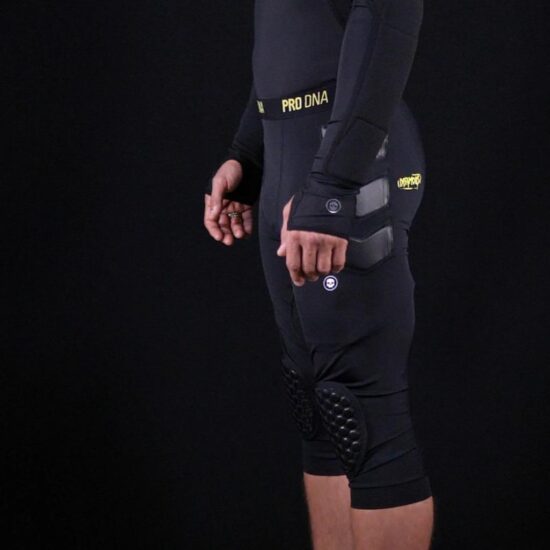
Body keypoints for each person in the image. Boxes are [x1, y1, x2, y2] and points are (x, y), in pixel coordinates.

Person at [204, 1, 434, 548]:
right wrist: (250, 151)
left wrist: (332, 186)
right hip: (288, 152)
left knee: (365, 417)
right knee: (321, 410)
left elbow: (388, 13)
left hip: (350, 157)